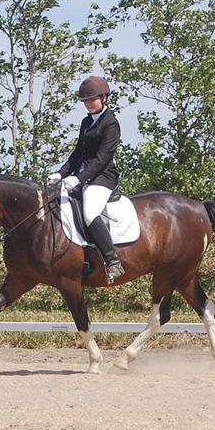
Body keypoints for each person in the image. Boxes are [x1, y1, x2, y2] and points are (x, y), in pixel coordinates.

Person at [47, 75, 126, 284]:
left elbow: (102, 158)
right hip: (83, 176)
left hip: (103, 177)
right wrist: (61, 173)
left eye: (92, 100)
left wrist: (79, 178)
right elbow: (77, 154)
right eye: (85, 101)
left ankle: (112, 261)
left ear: (104, 98)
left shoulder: (111, 124)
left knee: (90, 213)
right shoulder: (86, 122)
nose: (88, 104)